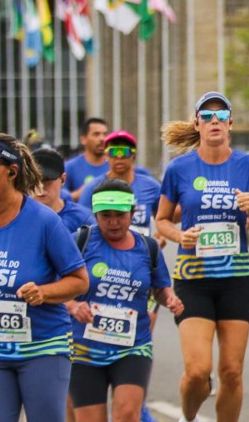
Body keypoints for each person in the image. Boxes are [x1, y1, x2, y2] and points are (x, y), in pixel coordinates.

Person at [0, 134, 90, 422]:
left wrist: (44, 292)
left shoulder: (45, 221)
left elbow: (80, 280)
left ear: (11, 171)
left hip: (43, 349)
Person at [155, 92, 249, 422]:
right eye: (207, 115)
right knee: (198, 372)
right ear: (196, 123)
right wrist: (179, 235)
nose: (214, 120)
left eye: (221, 114)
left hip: (235, 281)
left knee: (231, 372)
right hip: (193, 280)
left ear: (231, 123)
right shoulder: (179, 169)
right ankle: (189, 416)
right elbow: (162, 220)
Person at [67, 179, 184, 422]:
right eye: (105, 215)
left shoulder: (148, 247)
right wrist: (72, 305)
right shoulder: (80, 241)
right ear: (95, 214)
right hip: (84, 348)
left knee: (127, 415)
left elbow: (160, 288)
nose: (113, 222)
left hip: (133, 345)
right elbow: (55, 286)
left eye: (120, 215)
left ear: (132, 213)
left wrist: (170, 299)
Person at [79, 132, 163, 242]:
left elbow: (164, 219)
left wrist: (160, 236)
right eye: (113, 151)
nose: (119, 156)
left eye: (124, 151)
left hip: (142, 252)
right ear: (106, 155)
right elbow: (81, 222)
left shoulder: (151, 186)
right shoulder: (93, 188)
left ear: (134, 155)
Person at [31, 148, 95, 235]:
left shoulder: (82, 219)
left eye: (47, 181)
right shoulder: (16, 216)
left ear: (63, 179)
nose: (40, 187)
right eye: (35, 180)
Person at [67, 119, 110, 202]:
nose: (102, 139)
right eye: (96, 134)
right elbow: (59, 200)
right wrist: (87, 190)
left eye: (105, 134)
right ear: (83, 139)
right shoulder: (70, 167)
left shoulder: (114, 166)